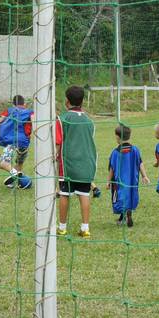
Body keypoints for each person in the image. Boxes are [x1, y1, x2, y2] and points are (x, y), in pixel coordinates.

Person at [56, 85, 97, 238]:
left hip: (69, 164)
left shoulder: (62, 119)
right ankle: (85, 228)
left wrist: (55, 154)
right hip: (87, 163)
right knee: (84, 194)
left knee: (65, 193)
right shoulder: (89, 121)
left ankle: (62, 227)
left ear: (67, 101)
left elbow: (58, 141)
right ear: (82, 101)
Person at [107, 124, 150, 227]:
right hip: (132, 181)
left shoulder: (115, 152)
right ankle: (128, 214)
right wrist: (144, 176)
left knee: (119, 198)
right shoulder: (135, 150)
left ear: (117, 137)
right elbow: (140, 163)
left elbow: (112, 168)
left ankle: (122, 218)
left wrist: (108, 182)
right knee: (130, 196)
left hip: (118, 182)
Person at [0, 95, 33, 187]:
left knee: (3, 163)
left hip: (11, 141)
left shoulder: (9, 111)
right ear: (24, 104)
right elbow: (34, 121)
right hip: (24, 142)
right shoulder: (30, 112)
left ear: (13, 104)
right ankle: (13, 182)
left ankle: (14, 173)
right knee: (19, 162)